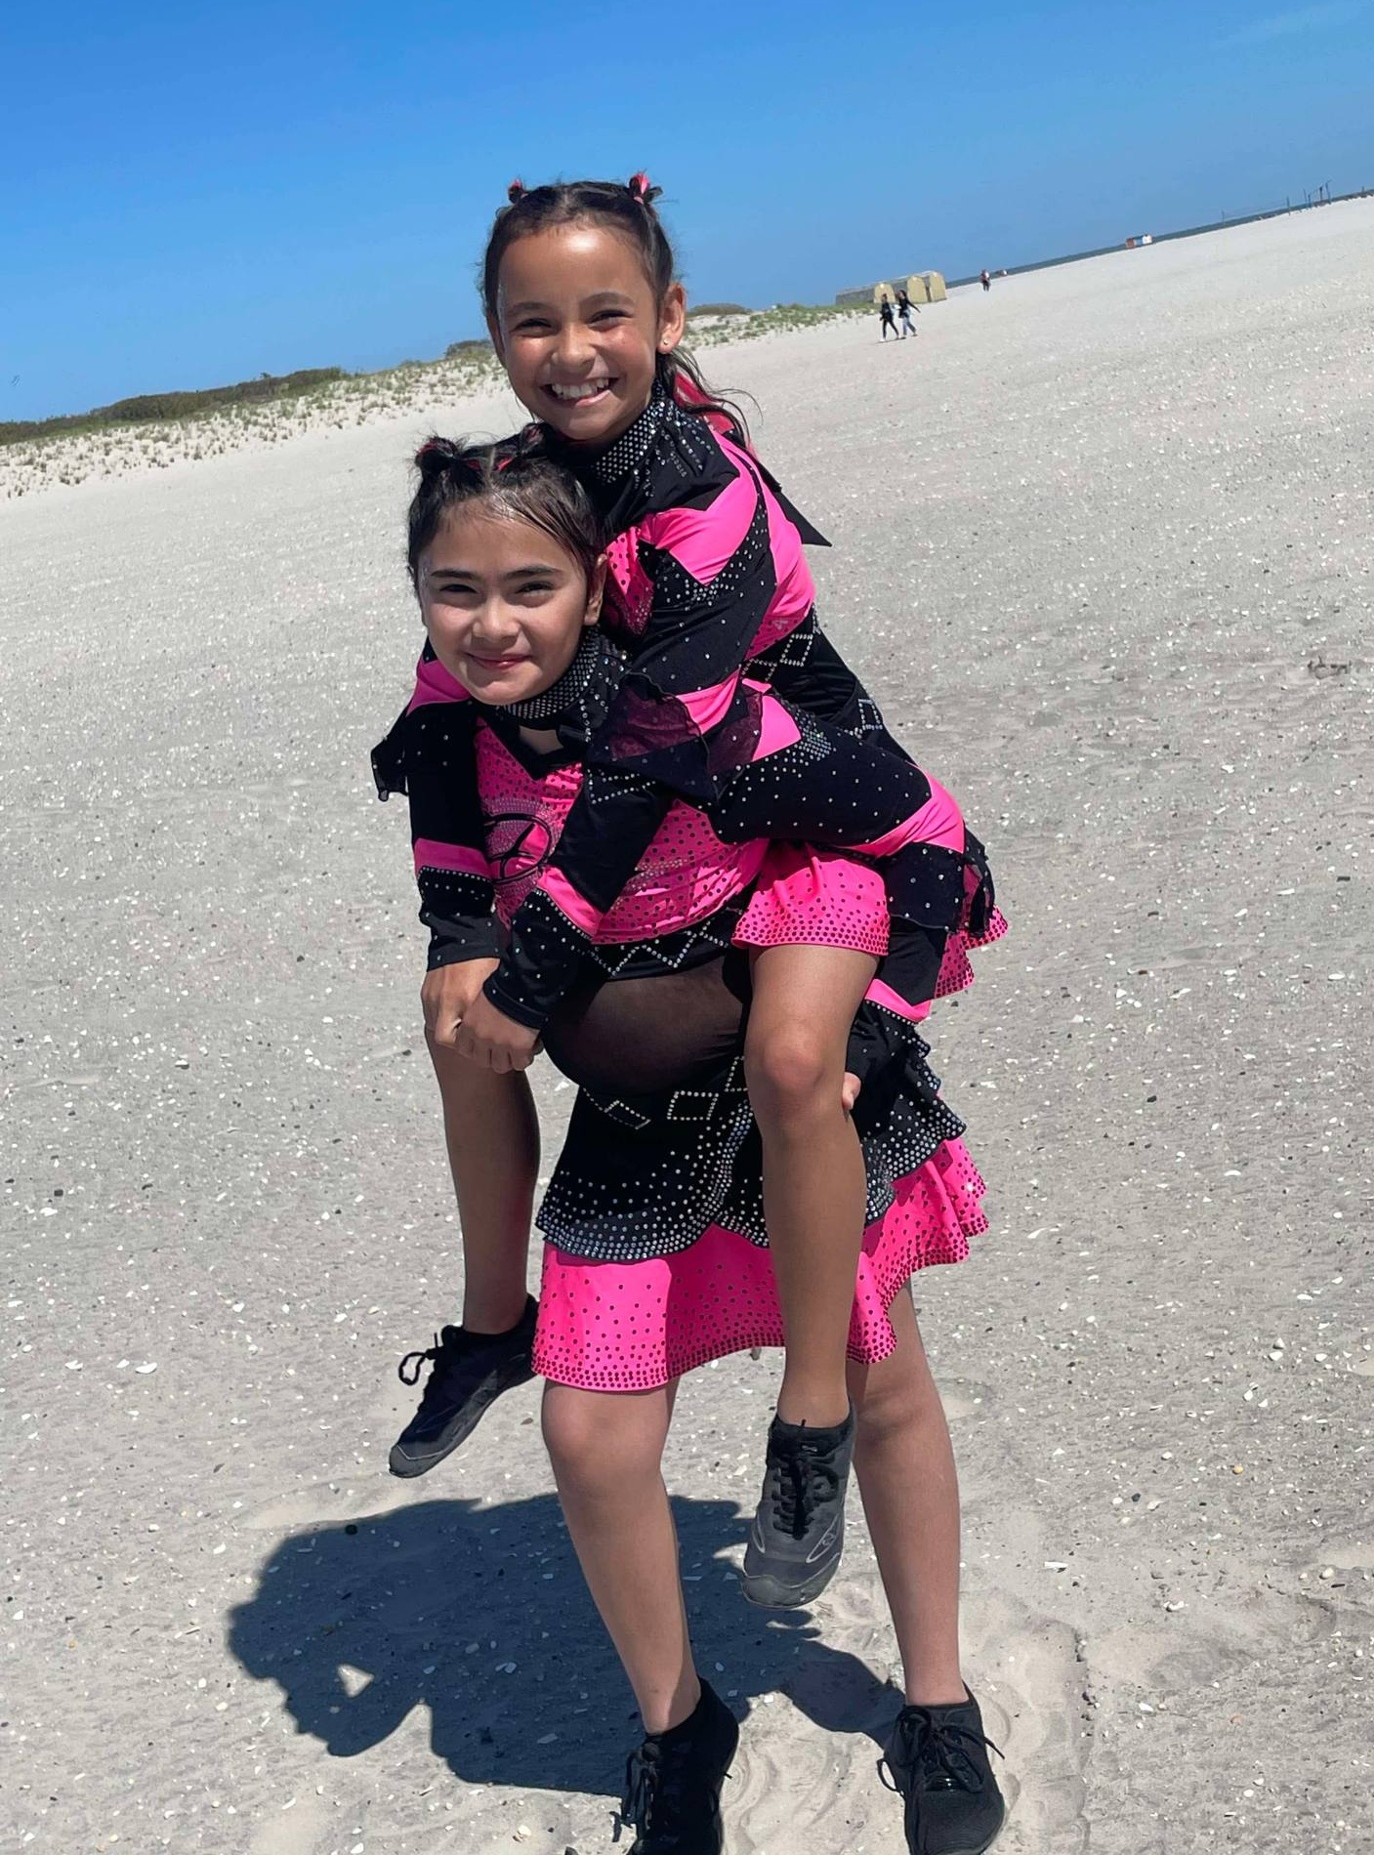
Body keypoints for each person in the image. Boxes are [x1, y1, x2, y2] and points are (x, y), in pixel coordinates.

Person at [379, 443, 1007, 1853]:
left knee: (881, 1383)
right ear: (417, 599)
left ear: (599, 588)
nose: (493, 623)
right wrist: (463, 960)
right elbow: (458, 901)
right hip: (624, 1128)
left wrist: (878, 1012)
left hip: (786, 1111)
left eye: (531, 586)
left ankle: (937, 1694)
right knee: (589, 1435)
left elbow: (897, 831)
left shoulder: (700, 719)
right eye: (455, 591)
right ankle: (679, 1723)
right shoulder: (448, 742)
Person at [384, 176, 999, 1604]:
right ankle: (491, 1321)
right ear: (494, 333)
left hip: (807, 791)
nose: (570, 350)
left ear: (669, 316)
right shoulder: (522, 476)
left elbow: (650, 755)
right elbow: (441, 708)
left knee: (795, 1063)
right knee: (450, 1013)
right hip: (673, 790)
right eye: (533, 322)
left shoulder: (704, 488)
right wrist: (463, 933)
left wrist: (537, 971)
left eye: (604, 314)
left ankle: (813, 1412)